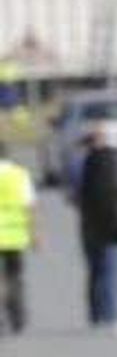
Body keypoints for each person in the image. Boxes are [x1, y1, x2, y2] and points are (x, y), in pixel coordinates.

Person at [71, 127, 117, 330]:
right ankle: (112, 315)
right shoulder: (115, 161)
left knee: (95, 269)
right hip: (113, 220)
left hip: (88, 221)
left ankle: (96, 314)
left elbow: (73, 194)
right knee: (112, 268)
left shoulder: (78, 163)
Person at [0, 140, 38, 335]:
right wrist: (34, 234)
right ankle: (17, 318)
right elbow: (29, 206)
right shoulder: (20, 175)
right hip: (14, 236)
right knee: (14, 277)